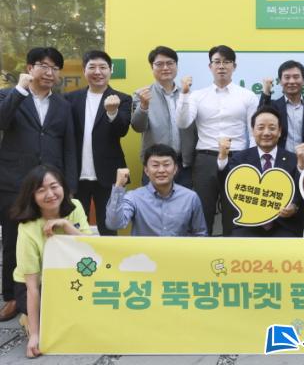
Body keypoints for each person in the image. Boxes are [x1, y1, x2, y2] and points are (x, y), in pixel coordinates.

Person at [0, 47, 77, 322]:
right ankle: (11, 297)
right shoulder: (9, 95)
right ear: (29, 68)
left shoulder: (63, 105)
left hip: (51, 186)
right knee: (13, 240)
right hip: (14, 182)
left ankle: (53, 292)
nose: (49, 72)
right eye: (44, 66)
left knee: (52, 238)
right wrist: (19, 91)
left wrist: (69, 187)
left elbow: (69, 146)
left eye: (55, 68)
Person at [176, 45, 258, 236]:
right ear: (210, 66)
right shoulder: (197, 95)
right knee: (203, 210)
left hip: (237, 158)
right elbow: (182, 122)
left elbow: (253, 132)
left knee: (235, 211)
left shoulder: (247, 96)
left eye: (226, 62)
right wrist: (185, 94)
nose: (221, 66)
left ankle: (233, 251)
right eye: (217, 62)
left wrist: (252, 160)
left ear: (234, 66)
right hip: (206, 158)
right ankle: (202, 251)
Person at [11, 165, 91, 358]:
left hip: (69, 278)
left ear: (63, 186)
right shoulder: (27, 228)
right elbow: (32, 287)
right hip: (35, 285)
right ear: (32, 196)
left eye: (54, 186)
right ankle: (28, 318)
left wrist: (66, 225)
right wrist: (35, 335)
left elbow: (91, 249)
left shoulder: (76, 206)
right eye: (41, 190)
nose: (50, 194)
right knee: (50, 327)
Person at [65, 50, 132, 236]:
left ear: (110, 70)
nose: (97, 72)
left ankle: (109, 257)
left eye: (103, 67)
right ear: (84, 70)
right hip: (77, 175)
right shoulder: (70, 99)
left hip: (109, 175)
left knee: (109, 227)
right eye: (92, 67)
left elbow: (122, 130)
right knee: (75, 226)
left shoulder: (122, 98)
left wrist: (112, 112)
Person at [217, 106, 302, 237]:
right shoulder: (240, 159)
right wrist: (223, 157)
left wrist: (294, 207)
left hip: (283, 226)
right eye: (261, 127)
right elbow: (226, 184)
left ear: (280, 131)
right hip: (247, 226)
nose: (266, 133)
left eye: (272, 128)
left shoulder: (293, 159)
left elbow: (300, 192)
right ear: (252, 131)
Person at [131, 46, 197, 188]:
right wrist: (143, 106)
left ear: (176, 66)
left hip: (183, 164)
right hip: (155, 164)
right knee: (152, 201)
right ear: (152, 67)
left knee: (184, 201)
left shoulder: (189, 95)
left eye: (170, 63)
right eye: (159, 64)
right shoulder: (141, 94)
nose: (165, 68)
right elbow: (138, 127)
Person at [106, 144, 207, 236]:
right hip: (144, 251)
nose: (161, 170)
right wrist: (119, 186)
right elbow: (114, 224)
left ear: (175, 169)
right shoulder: (134, 197)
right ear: (146, 170)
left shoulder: (190, 197)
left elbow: (200, 234)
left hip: (177, 250)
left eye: (166, 165)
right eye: (155, 165)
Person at [260, 60, 304, 152]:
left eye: (296, 77)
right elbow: (259, 119)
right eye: (287, 77)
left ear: (303, 81)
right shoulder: (272, 107)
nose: (291, 81)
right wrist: (266, 92)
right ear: (280, 81)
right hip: (279, 158)